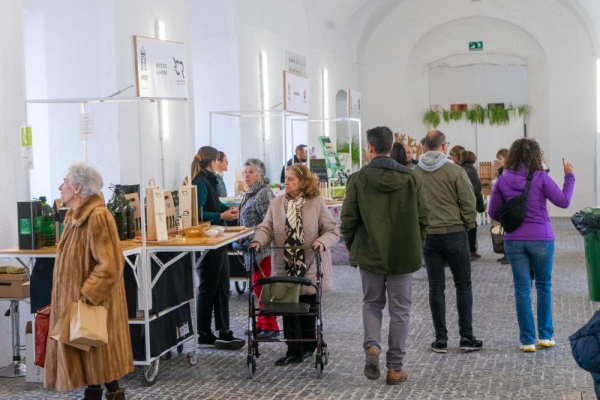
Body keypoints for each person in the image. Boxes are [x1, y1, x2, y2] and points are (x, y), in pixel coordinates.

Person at [341, 126, 429, 385]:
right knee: (400, 311)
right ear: (391, 146)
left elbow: (347, 221)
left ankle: (372, 348)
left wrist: (354, 247)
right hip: (403, 253)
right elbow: (424, 217)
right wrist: (416, 243)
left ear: (370, 148)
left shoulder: (357, 180)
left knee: (371, 304)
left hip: (370, 253)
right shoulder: (411, 178)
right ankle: (394, 368)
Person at [45, 163, 133, 400]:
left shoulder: (98, 217)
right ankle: (99, 393)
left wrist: (86, 296)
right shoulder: (74, 218)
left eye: (64, 181)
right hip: (80, 307)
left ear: (77, 188)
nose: (60, 186)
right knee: (97, 369)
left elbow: (110, 265)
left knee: (100, 363)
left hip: (93, 307)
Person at [488, 138, 574, 352]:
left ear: (512, 155)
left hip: (514, 241)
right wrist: (569, 176)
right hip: (541, 239)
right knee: (544, 286)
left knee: (521, 289)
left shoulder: (503, 179)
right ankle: (545, 336)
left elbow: (493, 212)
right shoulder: (541, 177)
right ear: (536, 155)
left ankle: (527, 340)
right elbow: (564, 201)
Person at [250, 163, 339, 366]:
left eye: (291, 179)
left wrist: (321, 242)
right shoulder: (277, 203)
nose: (286, 182)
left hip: (309, 264)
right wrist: (257, 241)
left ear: (303, 182)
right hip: (285, 265)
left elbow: (332, 230)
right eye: (286, 178)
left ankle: (310, 346)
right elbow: (267, 227)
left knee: (308, 308)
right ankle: (294, 351)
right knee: (288, 308)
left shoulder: (315, 203)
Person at [413, 130, 483, 354]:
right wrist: (465, 223)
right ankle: (466, 337)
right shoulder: (455, 170)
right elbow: (469, 200)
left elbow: (411, 205)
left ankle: (441, 340)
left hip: (429, 237)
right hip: (454, 234)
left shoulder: (414, 173)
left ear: (424, 147)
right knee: (463, 285)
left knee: (436, 287)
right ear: (444, 147)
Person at [191, 146, 244, 350]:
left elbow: (214, 205)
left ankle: (224, 331)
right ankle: (204, 333)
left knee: (222, 289)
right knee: (209, 288)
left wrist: (228, 209)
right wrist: (221, 216)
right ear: (213, 162)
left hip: (218, 241)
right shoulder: (200, 183)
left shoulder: (209, 181)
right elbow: (198, 214)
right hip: (207, 242)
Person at [238, 158, 279, 339]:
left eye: (250, 172)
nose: (246, 175)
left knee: (263, 288)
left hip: (263, 249)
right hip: (252, 249)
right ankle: (262, 324)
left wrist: (249, 233)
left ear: (260, 175)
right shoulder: (251, 192)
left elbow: (269, 223)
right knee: (258, 288)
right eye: (244, 172)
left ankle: (271, 326)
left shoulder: (263, 193)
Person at [461, 151, 485, 260]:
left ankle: (469, 250)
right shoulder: (472, 171)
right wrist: (481, 205)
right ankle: (471, 250)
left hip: (462, 202)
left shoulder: (462, 169)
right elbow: (476, 189)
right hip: (471, 202)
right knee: (471, 227)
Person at [494, 148, 510, 264]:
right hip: (503, 205)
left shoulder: (506, 172)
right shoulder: (502, 171)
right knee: (503, 230)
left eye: (500, 158)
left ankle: (508, 255)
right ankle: (506, 254)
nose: (498, 161)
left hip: (506, 205)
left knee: (506, 230)